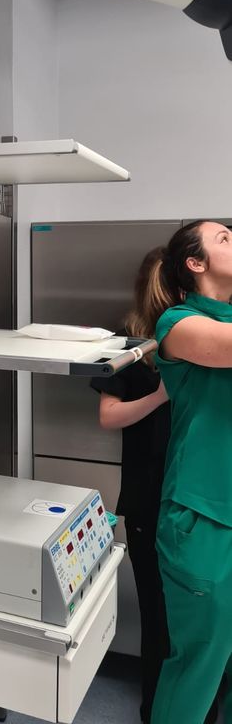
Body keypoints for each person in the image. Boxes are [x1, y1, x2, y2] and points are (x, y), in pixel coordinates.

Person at [125, 219, 232, 724]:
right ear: (196, 263)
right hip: (201, 516)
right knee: (198, 666)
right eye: (225, 239)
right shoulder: (179, 324)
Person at [90, 248, 173, 724]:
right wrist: (161, 395)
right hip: (148, 495)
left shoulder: (205, 337)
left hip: (192, 492)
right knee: (158, 615)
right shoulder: (128, 343)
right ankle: (155, 710)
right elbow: (109, 416)